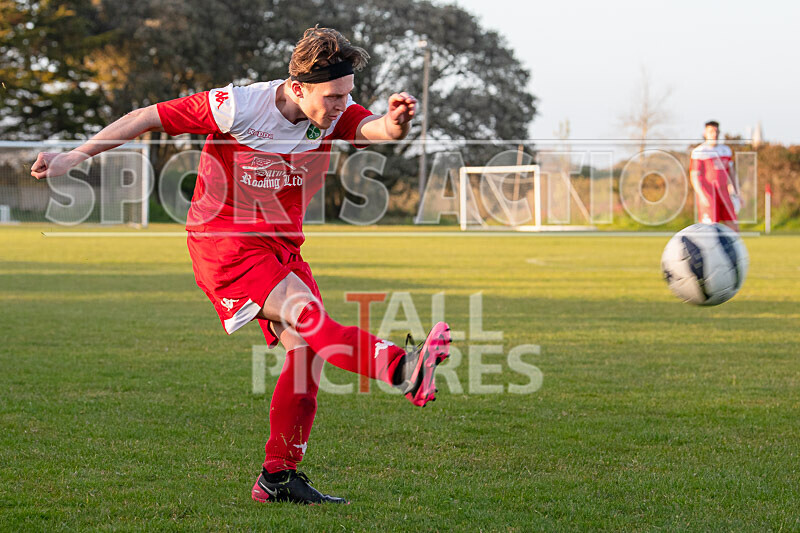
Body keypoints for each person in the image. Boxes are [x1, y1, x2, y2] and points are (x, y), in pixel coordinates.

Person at [30, 26, 451, 505]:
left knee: (306, 355)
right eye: (333, 96)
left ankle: (277, 479)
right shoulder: (239, 106)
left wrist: (396, 122)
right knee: (309, 319)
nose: (341, 104)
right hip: (224, 242)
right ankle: (403, 368)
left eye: (346, 94)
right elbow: (147, 116)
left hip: (280, 247)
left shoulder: (332, 113)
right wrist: (74, 156)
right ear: (298, 88)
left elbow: (376, 130)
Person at [689, 120, 741, 232]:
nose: (714, 134)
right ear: (705, 133)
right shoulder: (700, 152)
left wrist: (737, 193)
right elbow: (694, 176)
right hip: (709, 194)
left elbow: (731, 173)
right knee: (709, 230)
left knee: (733, 227)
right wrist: (702, 195)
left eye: (716, 131)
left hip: (724, 193)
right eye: (711, 131)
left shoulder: (725, 150)